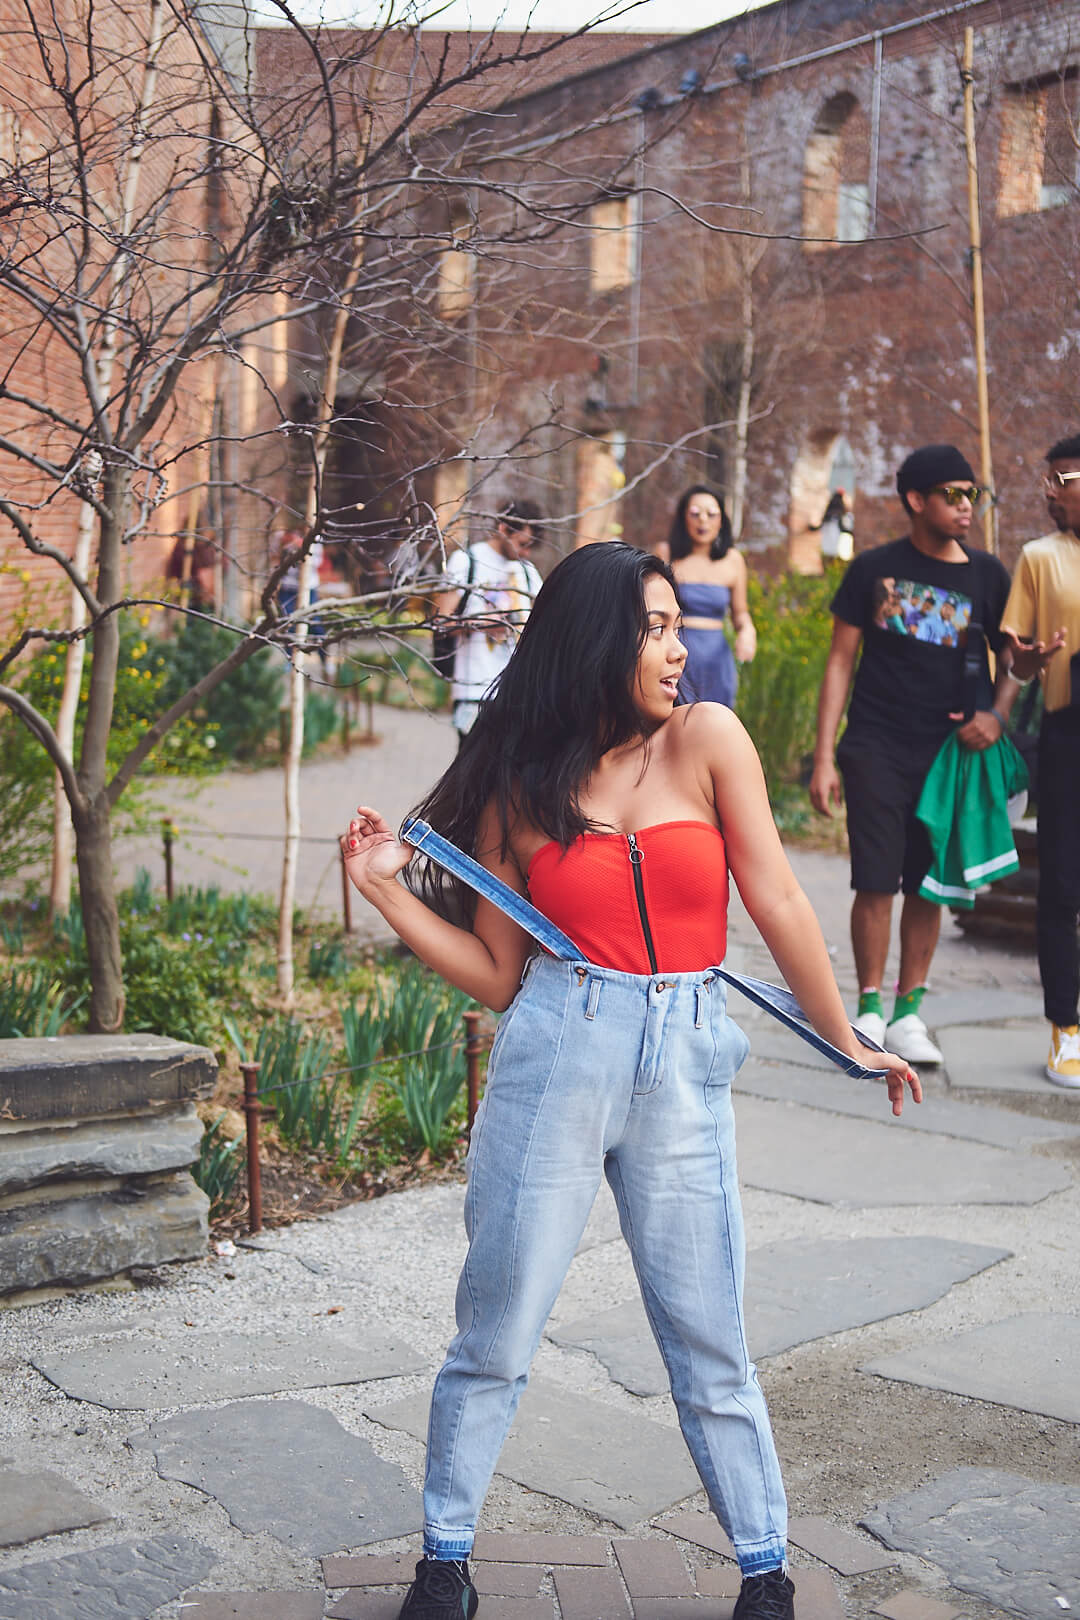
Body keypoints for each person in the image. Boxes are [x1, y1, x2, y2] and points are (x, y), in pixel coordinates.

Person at [341, 542, 920, 1620]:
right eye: (653, 628)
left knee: (709, 1330)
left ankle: (764, 1571)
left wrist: (849, 1036)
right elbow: (499, 975)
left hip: (686, 1061)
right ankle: (446, 1560)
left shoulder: (707, 739)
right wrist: (385, 892)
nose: (676, 647)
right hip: (561, 1046)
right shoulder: (520, 782)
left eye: (676, 626)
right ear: (595, 641)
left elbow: (782, 902)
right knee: (498, 1321)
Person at [810, 444, 1016, 1064]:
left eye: (971, 495)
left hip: (948, 752)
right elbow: (840, 660)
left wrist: (997, 714)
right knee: (875, 879)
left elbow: (1013, 660)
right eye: (952, 494)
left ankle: (908, 1014)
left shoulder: (987, 575)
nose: (964, 507)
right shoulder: (873, 568)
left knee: (929, 883)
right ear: (915, 500)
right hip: (875, 742)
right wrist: (824, 756)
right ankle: (868, 1009)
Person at [1000, 434, 1080, 1087]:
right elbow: (1016, 659)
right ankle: (1065, 1028)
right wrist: (1030, 660)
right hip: (1066, 730)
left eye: (1061, 479)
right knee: (1061, 886)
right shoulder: (1039, 559)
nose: (1048, 494)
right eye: (1046, 481)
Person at [432, 500, 543, 744]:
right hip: (475, 690)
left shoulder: (527, 571)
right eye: (523, 544)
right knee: (472, 776)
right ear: (503, 529)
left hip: (517, 693)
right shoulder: (466, 561)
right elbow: (438, 624)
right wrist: (479, 623)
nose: (525, 553)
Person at [658, 484, 756, 709]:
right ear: (684, 517)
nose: (703, 520)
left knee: (713, 725)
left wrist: (748, 631)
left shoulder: (733, 560)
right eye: (695, 514)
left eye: (711, 514)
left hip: (716, 658)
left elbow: (740, 613)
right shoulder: (665, 554)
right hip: (673, 652)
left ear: (722, 520)